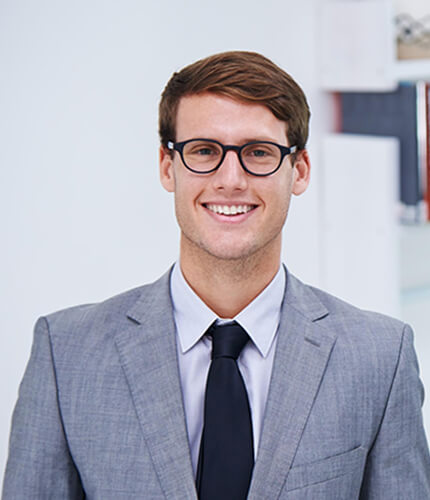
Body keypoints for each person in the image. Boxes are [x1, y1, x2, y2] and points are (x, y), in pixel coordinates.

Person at [3, 51, 430, 500]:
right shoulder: (66, 354)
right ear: (167, 167)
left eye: (258, 152)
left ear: (299, 170)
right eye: (204, 151)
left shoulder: (380, 358)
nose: (230, 180)